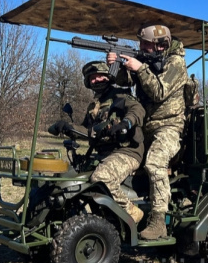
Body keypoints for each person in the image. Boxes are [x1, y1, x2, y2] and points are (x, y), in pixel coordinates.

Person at [107, 23, 188, 240]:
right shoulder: (147, 60)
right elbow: (126, 82)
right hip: (146, 127)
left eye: (145, 44)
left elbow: (159, 92)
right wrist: (116, 67)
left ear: (161, 46)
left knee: (154, 163)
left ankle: (158, 221)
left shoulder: (176, 63)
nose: (141, 46)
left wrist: (139, 67)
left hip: (169, 127)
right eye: (140, 43)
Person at [80, 60, 146, 224]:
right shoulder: (94, 106)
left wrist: (126, 122)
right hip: (104, 154)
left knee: (102, 177)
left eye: (100, 76)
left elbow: (138, 110)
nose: (96, 80)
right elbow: (87, 131)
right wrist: (66, 127)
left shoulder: (120, 96)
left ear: (108, 77)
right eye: (92, 78)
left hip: (128, 151)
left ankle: (131, 211)